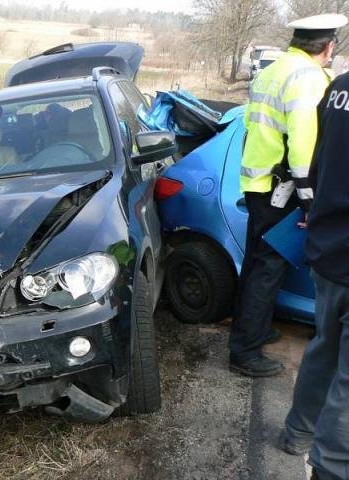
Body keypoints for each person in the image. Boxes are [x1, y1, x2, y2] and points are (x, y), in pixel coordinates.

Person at [229, 14, 347, 377]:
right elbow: (303, 144)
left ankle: (254, 329)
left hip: (260, 184)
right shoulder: (309, 78)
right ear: (328, 48)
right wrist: (311, 202)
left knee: (256, 262)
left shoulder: (273, 69)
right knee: (268, 267)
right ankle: (244, 352)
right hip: (283, 189)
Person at [283, 69, 349, 480]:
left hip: (330, 247)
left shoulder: (341, 86)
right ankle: (331, 470)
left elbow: (320, 158)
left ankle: (297, 433)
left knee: (324, 349)